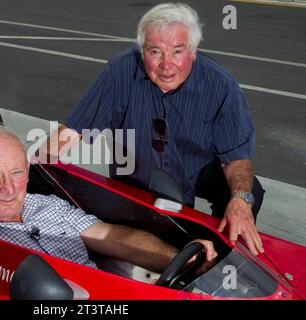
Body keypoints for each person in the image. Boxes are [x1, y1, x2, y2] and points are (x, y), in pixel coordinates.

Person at [38, 3, 265, 256]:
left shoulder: (221, 85)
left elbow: (236, 157)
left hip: (195, 170)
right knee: (141, 245)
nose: (166, 65)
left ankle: (221, 254)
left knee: (247, 189)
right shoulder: (119, 72)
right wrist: (32, 168)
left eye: (177, 51)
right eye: (155, 52)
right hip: (137, 175)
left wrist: (241, 201)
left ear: (193, 52)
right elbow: (74, 130)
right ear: (142, 50)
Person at [0, 119, 217, 274]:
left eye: (16, 173)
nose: (9, 188)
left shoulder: (48, 205)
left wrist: (177, 258)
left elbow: (111, 236)